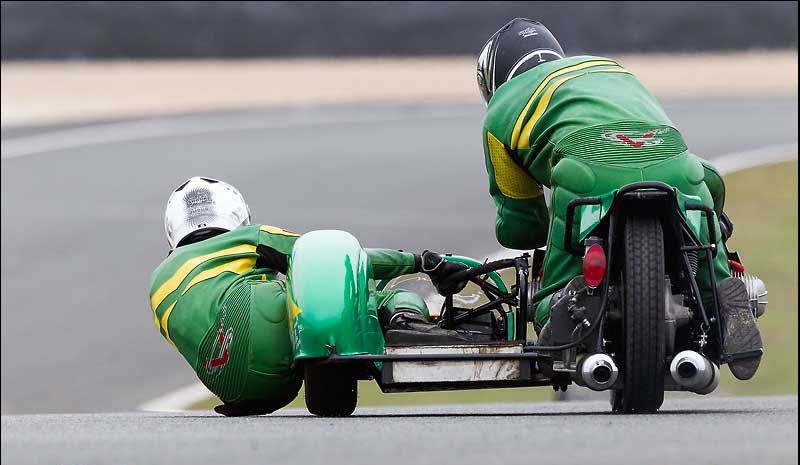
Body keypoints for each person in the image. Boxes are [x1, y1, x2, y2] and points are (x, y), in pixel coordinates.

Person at [476, 18, 764, 379]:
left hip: (586, 170)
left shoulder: (500, 110)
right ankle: (722, 296)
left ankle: (561, 304)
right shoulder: (610, 69)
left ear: (493, 78)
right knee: (703, 210)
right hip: (674, 163)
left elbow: (520, 225)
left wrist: (548, 230)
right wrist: (715, 221)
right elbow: (713, 181)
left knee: (556, 278)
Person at [150, 177, 468, 416]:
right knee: (367, 293)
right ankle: (407, 322)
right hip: (260, 336)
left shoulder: (158, 284)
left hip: (235, 390)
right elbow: (333, 258)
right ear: (235, 213)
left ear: (173, 228)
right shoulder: (247, 238)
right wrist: (422, 261)